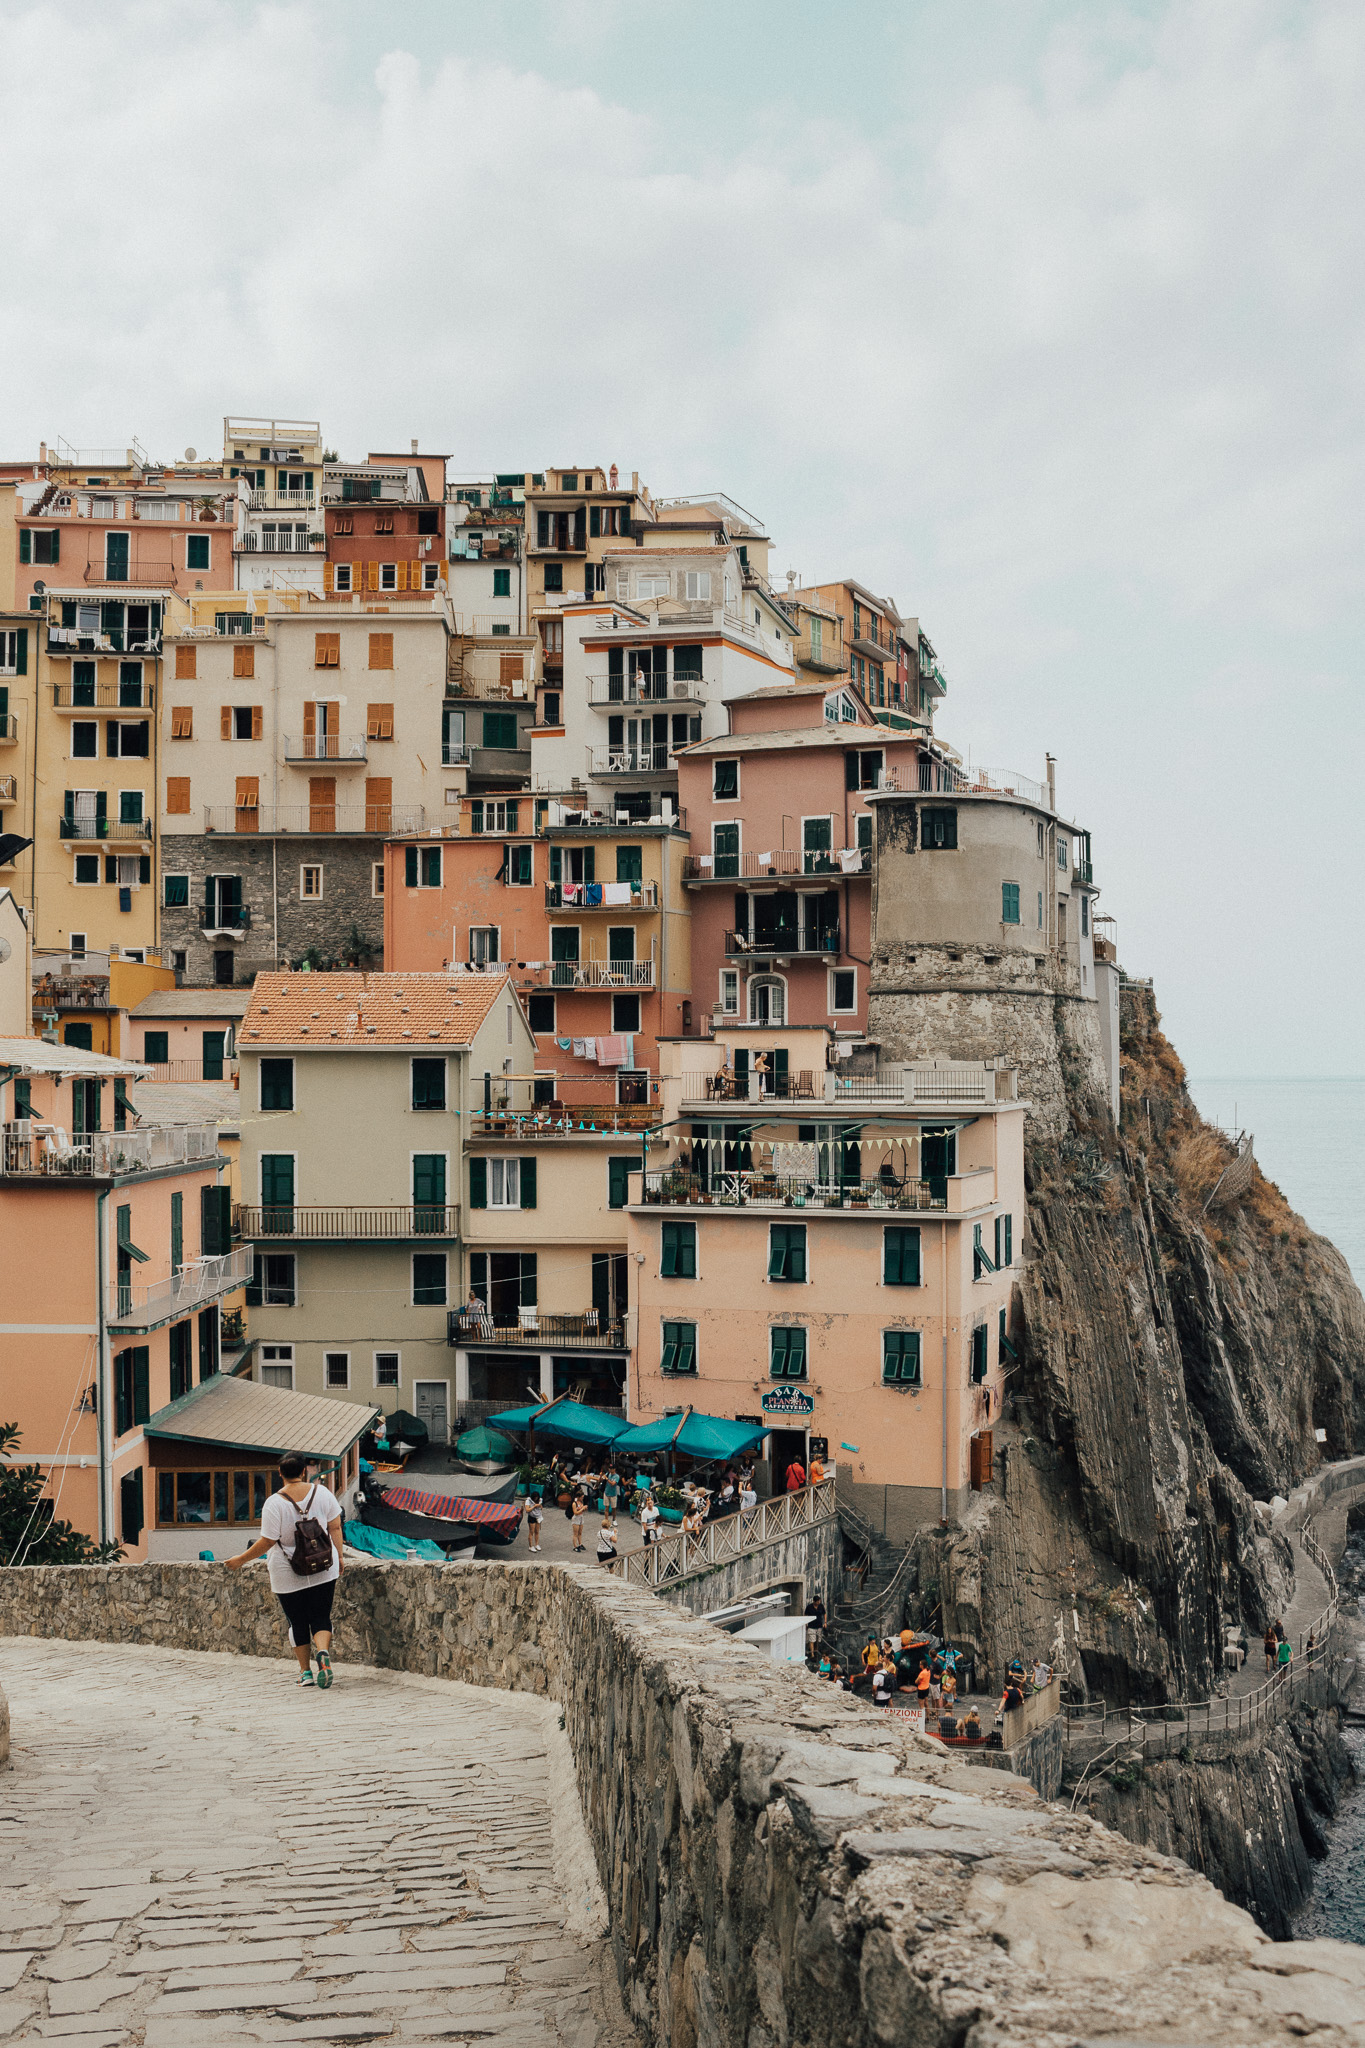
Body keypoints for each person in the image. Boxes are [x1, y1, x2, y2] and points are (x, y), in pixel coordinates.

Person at [227, 1454, 343, 1689]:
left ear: (280, 1473)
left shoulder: (274, 1503)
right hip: (323, 1566)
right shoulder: (322, 1493)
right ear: (304, 1471)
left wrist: (241, 1559)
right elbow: (335, 1526)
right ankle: (322, 1651)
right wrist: (339, 1556)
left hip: (287, 1571)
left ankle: (306, 1672)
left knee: (297, 1621)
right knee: (321, 1616)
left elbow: (268, 1541)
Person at [525, 1489, 543, 1554]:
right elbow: (527, 1510)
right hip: (531, 1517)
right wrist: (534, 1506)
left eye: (537, 1498)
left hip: (538, 1516)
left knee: (537, 1531)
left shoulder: (540, 1500)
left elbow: (541, 1508)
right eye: (535, 1498)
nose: (536, 1499)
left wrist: (540, 1506)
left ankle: (537, 1544)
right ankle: (530, 1546)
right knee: (531, 1532)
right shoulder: (528, 1501)